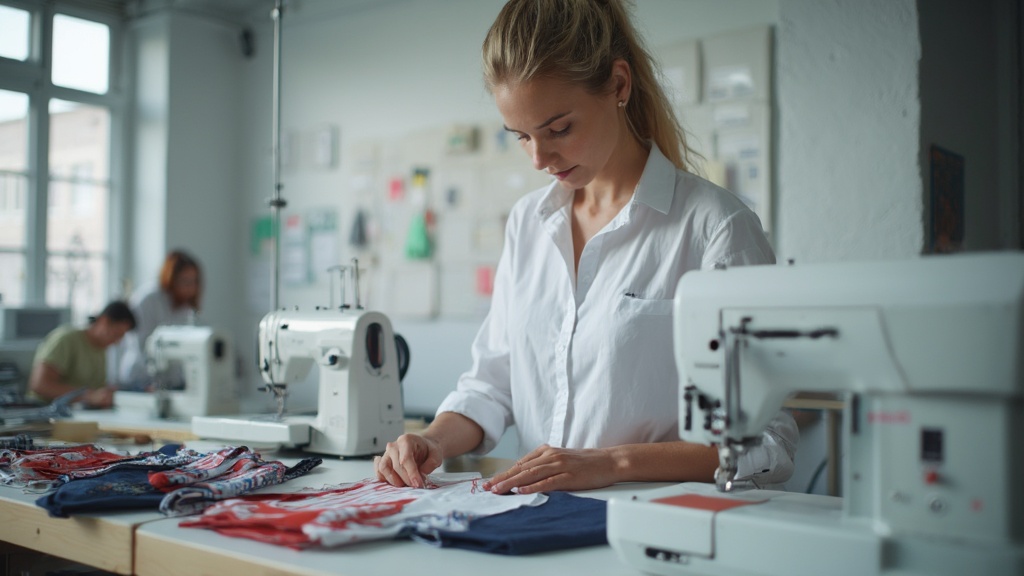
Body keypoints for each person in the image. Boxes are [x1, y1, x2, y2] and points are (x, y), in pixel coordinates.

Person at [375, 0, 798, 494]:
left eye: (558, 130)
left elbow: (770, 443)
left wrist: (612, 463)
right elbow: (491, 383)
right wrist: (432, 440)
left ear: (619, 85)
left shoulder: (715, 228)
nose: (539, 158)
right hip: (537, 527)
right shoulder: (528, 224)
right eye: (522, 137)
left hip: (657, 536)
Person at [118, 250, 202, 389]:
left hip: (170, 381)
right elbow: (142, 345)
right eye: (185, 281)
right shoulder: (147, 300)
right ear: (171, 279)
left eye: (193, 281)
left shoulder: (185, 308)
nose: (190, 288)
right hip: (140, 378)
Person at [29, 301, 137, 408]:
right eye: (116, 334)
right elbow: (40, 384)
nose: (116, 341)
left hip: (75, 413)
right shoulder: (66, 339)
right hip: (45, 412)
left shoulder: (100, 350)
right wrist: (88, 396)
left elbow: (93, 390)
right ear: (104, 321)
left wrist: (104, 394)